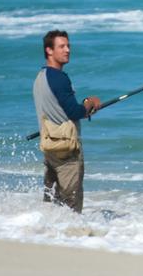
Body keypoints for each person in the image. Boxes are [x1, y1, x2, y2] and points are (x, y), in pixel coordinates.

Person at [32, 30, 101, 213]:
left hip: (50, 147)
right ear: (49, 50)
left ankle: (47, 235)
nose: (67, 50)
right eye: (61, 46)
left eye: (68, 45)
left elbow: (56, 110)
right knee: (71, 203)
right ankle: (70, 235)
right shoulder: (59, 78)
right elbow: (74, 112)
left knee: (52, 201)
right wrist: (90, 102)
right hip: (67, 150)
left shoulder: (40, 78)